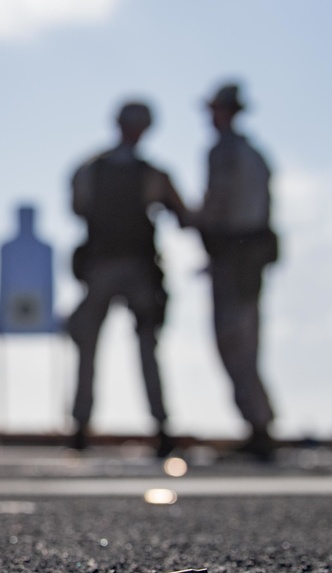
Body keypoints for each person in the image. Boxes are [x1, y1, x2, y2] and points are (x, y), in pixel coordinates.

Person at [66, 101, 188, 458]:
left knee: (119, 348)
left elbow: (77, 208)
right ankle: (152, 427)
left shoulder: (90, 169)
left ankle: (87, 427)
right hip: (129, 268)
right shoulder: (151, 174)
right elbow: (182, 213)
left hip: (114, 268)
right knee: (128, 348)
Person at [192, 82, 279, 462]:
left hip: (234, 255)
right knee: (247, 338)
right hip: (251, 255)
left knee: (233, 339)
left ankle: (258, 424)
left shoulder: (224, 153)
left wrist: (191, 219)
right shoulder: (256, 155)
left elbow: (216, 204)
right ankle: (259, 424)